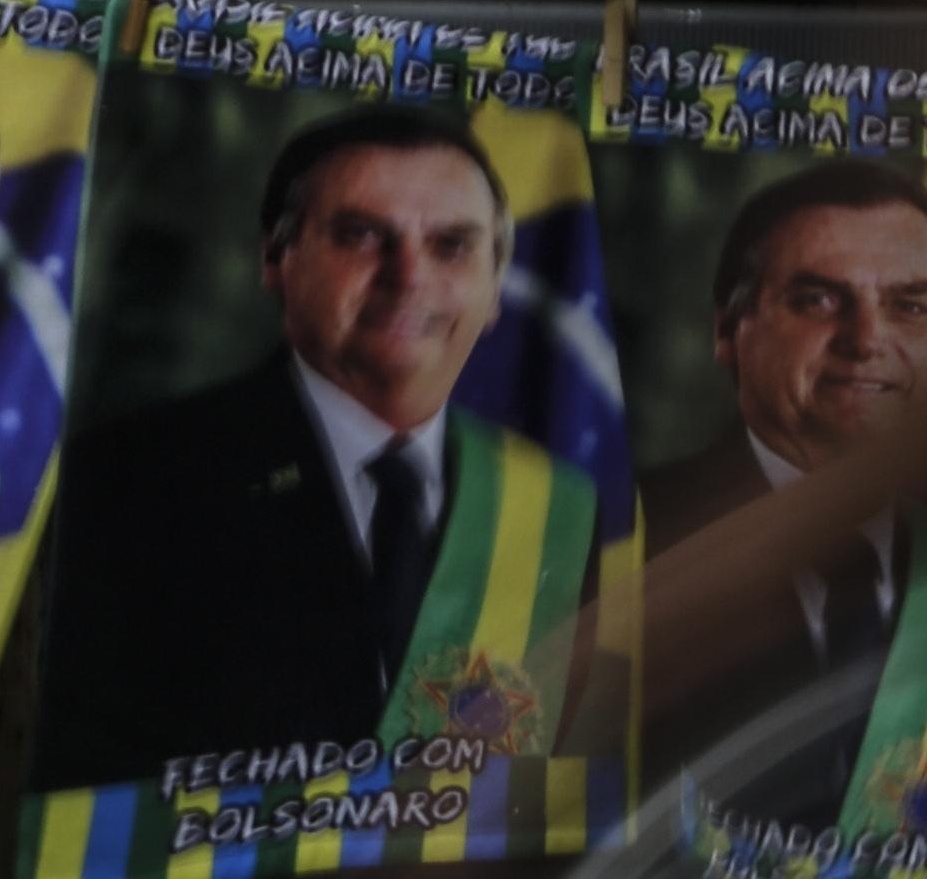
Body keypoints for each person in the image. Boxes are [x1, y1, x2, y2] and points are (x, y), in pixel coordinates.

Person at [37, 104, 588, 792]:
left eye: (451, 246)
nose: (408, 276)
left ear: (495, 286)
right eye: (361, 235)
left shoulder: (565, 511)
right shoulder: (123, 483)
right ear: (276, 257)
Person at [642, 165, 927, 839]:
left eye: (909, 306)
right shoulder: (617, 540)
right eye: (819, 301)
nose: (866, 340)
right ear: (727, 332)